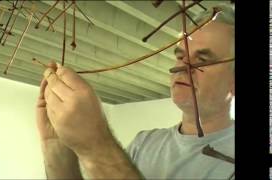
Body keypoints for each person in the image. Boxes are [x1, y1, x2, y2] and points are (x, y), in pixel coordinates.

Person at [36, 3, 235, 179]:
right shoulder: (145, 143)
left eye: (203, 60)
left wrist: (96, 145)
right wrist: (55, 146)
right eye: (180, 56)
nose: (183, 67)